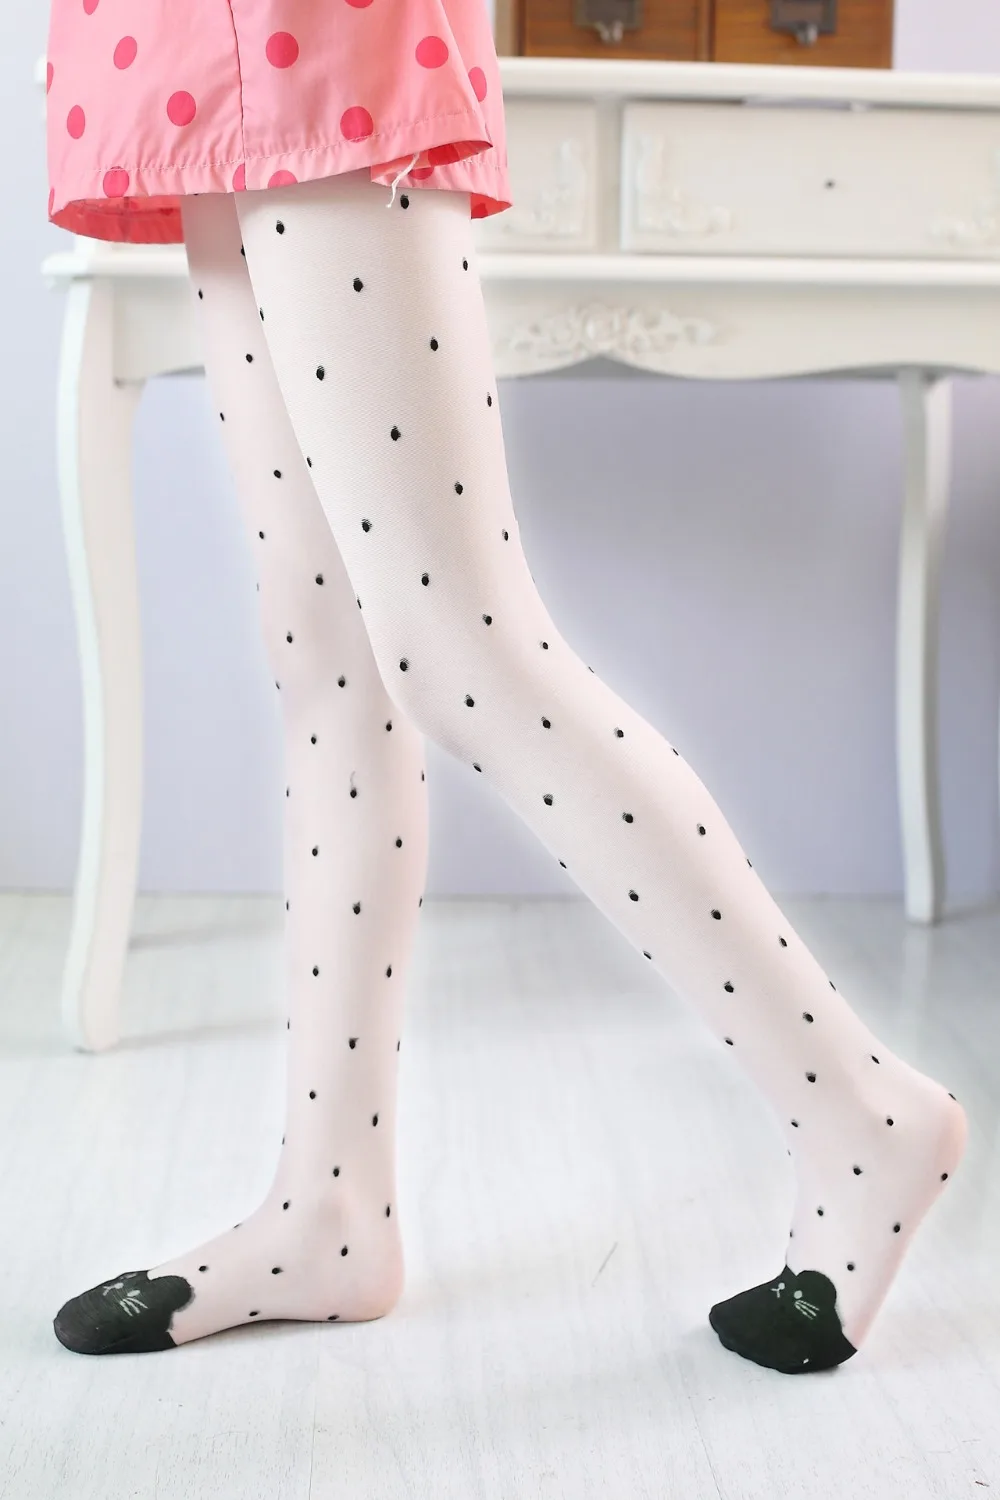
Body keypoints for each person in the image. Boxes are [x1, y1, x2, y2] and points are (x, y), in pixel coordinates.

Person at [44, 0, 966, 1375]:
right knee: (329, 657)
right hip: (188, 48)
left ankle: (859, 1112)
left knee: (456, 643)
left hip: (304, 37)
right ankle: (327, 1209)